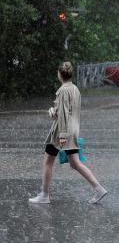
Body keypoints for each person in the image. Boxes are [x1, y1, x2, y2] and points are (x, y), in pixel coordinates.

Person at [29, 62, 107, 204]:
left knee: (47, 162)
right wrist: (54, 112)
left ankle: (44, 195)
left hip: (62, 132)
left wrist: (63, 135)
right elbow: (70, 111)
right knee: (75, 163)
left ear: (60, 74)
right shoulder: (75, 89)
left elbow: (64, 114)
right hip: (73, 130)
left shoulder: (63, 90)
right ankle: (98, 188)